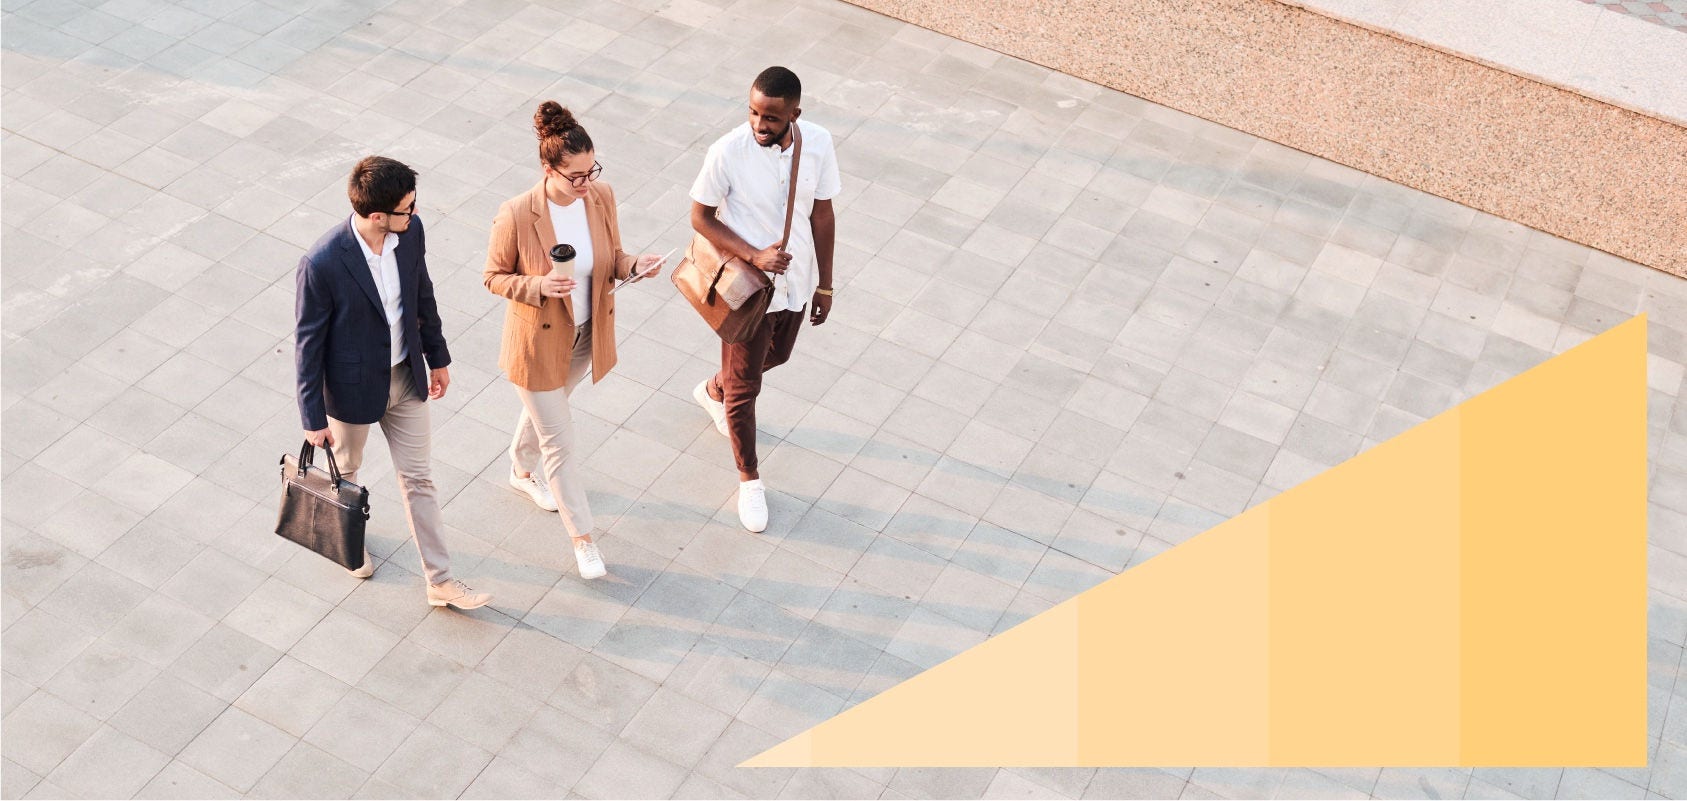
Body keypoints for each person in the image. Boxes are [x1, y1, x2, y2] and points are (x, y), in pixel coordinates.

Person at [294, 156, 491, 610]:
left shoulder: (410, 234)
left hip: (405, 378)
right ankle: (347, 540)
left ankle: (440, 580)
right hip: (350, 392)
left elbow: (423, 292)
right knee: (347, 474)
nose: (415, 214)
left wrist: (437, 357)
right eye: (407, 208)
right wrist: (312, 417)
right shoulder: (322, 263)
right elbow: (308, 345)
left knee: (419, 479)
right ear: (377, 215)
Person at [483, 101, 667, 579]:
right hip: (537, 344)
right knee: (560, 444)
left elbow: (613, 257)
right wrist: (537, 285)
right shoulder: (518, 214)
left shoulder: (601, 197)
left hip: (585, 336)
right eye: (575, 177)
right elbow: (493, 277)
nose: (585, 184)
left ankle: (519, 471)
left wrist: (633, 265)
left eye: (591, 171)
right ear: (549, 169)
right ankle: (583, 540)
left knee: (549, 412)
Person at [689, 66, 841, 533]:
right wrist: (754, 254)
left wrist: (826, 284)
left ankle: (715, 388)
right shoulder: (728, 151)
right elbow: (700, 216)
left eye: (771, 117)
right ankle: (749, 479)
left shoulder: (817, 143)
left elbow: (822, 213)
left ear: (795, 113)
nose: (759, 124)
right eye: (754, 112)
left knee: (777, 355)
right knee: (746, 392)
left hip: (795, 284)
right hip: (746, 291)